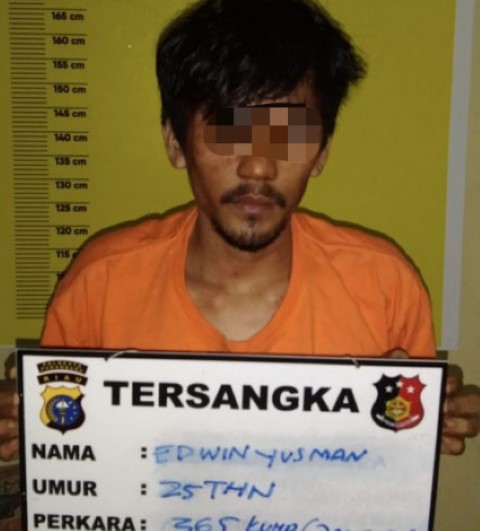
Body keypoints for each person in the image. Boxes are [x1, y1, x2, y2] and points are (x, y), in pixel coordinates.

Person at [1, 0, 479, 461]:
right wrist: (22, 421)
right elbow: (64, 439)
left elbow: (398, 455)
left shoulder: (385, 287)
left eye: (287, 134)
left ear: (321, 152)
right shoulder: (100, 284)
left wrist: (437, 419)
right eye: (228, 130)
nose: (258, 166)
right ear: (176, 143)